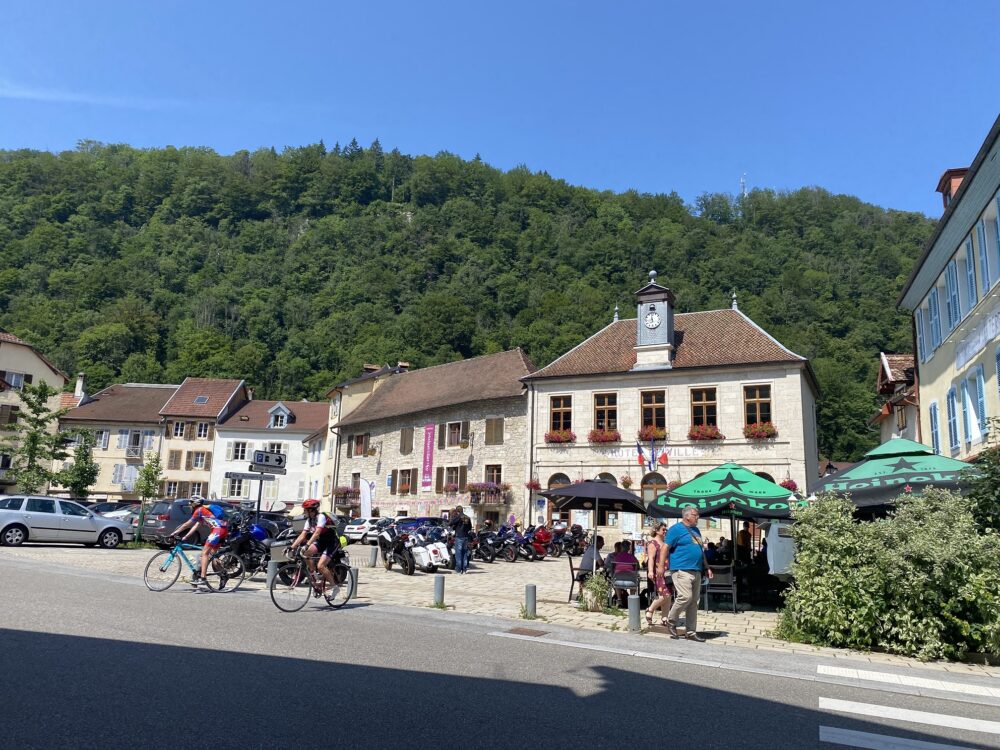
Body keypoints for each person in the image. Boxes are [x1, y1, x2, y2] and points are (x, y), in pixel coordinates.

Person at [665, 507, 713, 641]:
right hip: (681, 569)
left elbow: (700, 550)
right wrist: (660, 568)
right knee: (685, 597)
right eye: (695, 515)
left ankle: (691, 632)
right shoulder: (675, 529)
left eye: (698, 515)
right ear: (686, 516)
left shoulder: (696, 530)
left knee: (694, 602)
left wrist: (707, 567)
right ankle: (671, 621)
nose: (698, 517)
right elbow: (665, 547)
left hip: (696, 569)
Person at [171, 497, 228, 587]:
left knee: (204, 554)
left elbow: (187, 524)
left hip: (218, 530)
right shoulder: (203, 512)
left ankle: (203, 578)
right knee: (211, 556)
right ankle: (223, 575)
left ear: (194, 504)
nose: (189, 506)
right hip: (222, 530)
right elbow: (195, 526)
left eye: (190, 504)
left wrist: (174, 533)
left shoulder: (199, 510)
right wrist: (186, 536)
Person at [289, 499, 341, 590]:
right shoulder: (309, 520)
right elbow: (303, 534)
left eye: (305, 510)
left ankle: (334, 586)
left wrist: (307, 544)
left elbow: (317, 533)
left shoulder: (321, 517)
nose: (304, 512)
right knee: (305, 553)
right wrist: (291, 547)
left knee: (321, 566)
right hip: (321, 542)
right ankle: (314, 575)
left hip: (332, 542)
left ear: (311, 510)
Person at [645, 523, 672, 626]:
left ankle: (664, 618)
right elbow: (651, 558)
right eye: (663, 530)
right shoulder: (653, 543)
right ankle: (650, 609)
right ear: (657, 530)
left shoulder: (665, 542)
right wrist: (650, 571)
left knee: (668, 595)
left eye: (666, 530)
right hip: (659, 572)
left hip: (668, 572)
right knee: (665, 594)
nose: (665, 531)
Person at [449, 505, 473, 574]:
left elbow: (450, 523)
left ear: (457, 511)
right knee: (464, 553)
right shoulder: (467, 517)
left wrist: (452, 517)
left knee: (458, 553)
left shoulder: (458, 517)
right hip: (466, 537)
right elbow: (470, 527)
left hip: (459, 536)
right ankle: (464, 569)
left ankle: (458, 570)